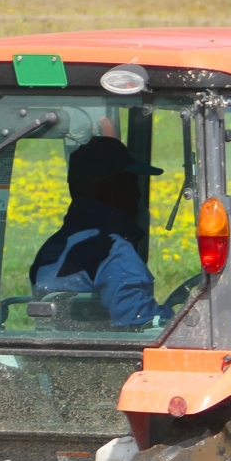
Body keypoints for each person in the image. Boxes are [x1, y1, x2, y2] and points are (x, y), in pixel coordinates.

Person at [29, 128, 170, 328]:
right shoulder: (112, 251)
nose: (138, 193)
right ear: (112, 189)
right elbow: (139, 324)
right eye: (131, 183)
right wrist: (177, 319)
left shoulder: (53, 248)